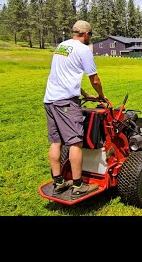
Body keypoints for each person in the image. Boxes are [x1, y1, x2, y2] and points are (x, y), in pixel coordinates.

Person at [43, 20, 105, 200]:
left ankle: (59, 182)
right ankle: (78, 185)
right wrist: (100, 95)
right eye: (90, 36)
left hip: (50, 100)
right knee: (75, 142)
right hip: (66, 103)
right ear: (86, 34)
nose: (90, 39)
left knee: (56, 142)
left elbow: (65, 76)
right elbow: (94, 79)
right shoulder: (83, 49)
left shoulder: (61, 46)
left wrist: (85, 94)